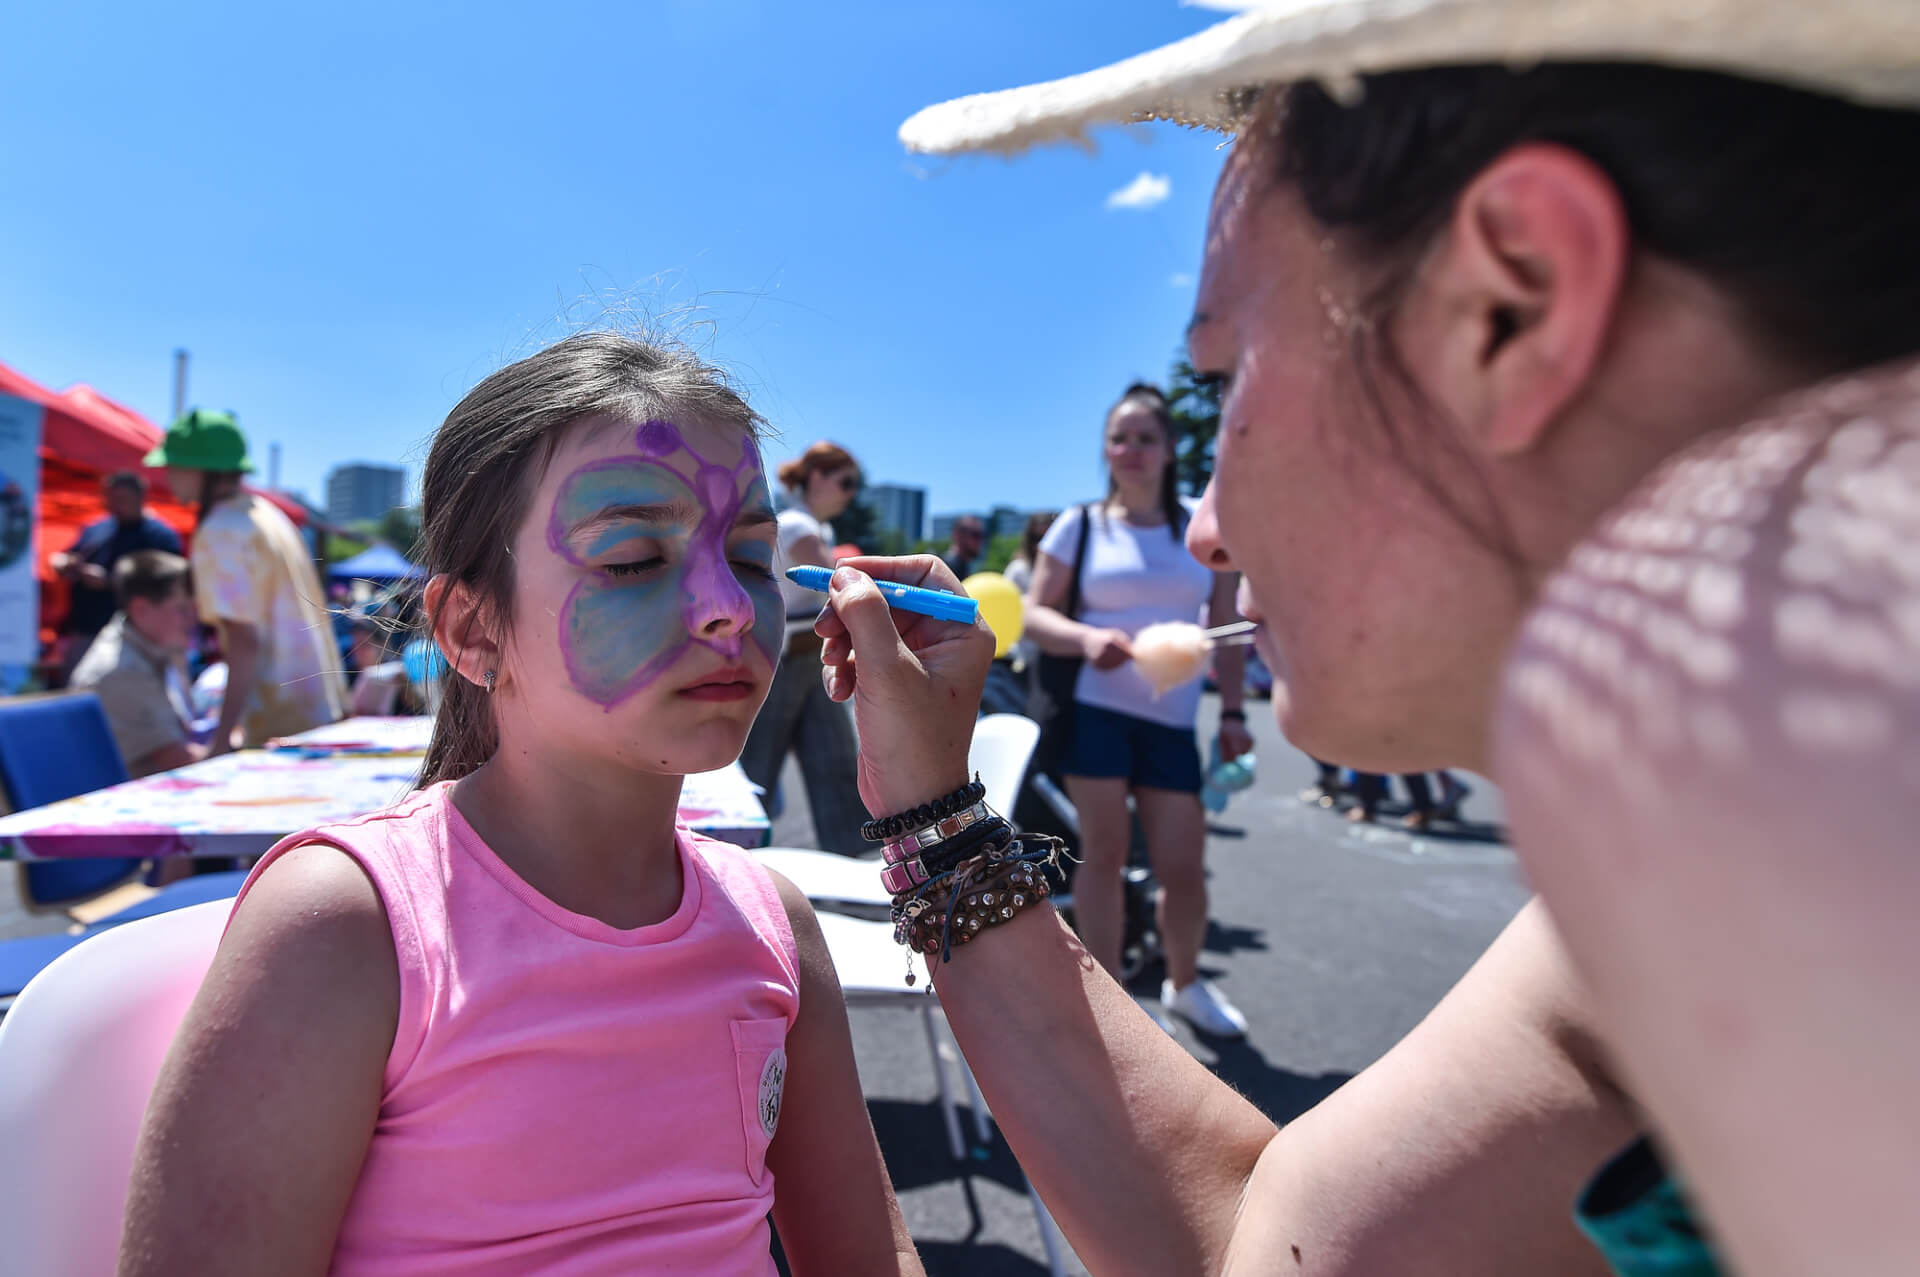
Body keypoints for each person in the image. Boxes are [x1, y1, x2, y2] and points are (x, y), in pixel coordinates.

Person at [811, 7, 1919, 1276]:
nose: (1210, 528)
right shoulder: (1667, 917)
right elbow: (1257, 1242)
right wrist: (934, 807)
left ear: (1514, 302)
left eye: (1223, 387)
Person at [120, 332, 921, 1275]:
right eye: (631, 559)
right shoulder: (350, 929)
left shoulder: (772, 924)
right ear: (471, 627)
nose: (730, 607)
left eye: (750, 557)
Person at [1023, 383, 1253, 1035]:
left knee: (1183, 860)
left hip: (1172, 720)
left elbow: (1228, 630)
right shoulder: (1081, 524)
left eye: (1146, 438)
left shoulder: (1200, 527)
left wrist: (1233, 715)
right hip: (1095, 711)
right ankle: (1114, 1001)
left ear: (1169, 447)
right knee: (1106, 850)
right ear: (1105, 448)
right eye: (1119, 438)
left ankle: (1185, 984)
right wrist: (1087, 637)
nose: (1131, 450)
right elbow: (1036, 615)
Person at [146, 410, 345, 750]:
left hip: (279, 723)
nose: (167, 474)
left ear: (203, 469)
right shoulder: (268, 514)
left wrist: (221, 739)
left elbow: (243, 637)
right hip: (318, 710)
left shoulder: (220, 530)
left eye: (175, 464)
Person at [737, 440, 871, 853]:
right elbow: (836, 585)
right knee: (762, 765)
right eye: (845, 482)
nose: (851, 493)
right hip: (789, 658)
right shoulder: (799, 526)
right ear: (817, 477)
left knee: (827, 764)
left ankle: (849, 863)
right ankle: (728, 856)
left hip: (805, 658)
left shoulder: (811, 527)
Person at [67, 550, 203, 777]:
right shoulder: (122, 671)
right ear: (141, 609)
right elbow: (178, 760)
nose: (193, 619)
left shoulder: (153, 648)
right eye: (182, 609)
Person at [49, 471, 183, 674]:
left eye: (122, 499)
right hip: (86, 630)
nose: (115, 504)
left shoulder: (160, 536)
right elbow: (68, 555)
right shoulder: (96, 529)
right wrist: (63, 562)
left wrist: (109, 582)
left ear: (141, 498)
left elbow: (169, 585)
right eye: (111, 498)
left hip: (135, 636)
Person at [938, 513, 984, 580]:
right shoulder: (945, 568)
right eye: (976, 535)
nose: (980, 541)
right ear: (958, 535)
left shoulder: (965, 567)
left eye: (982, 535)